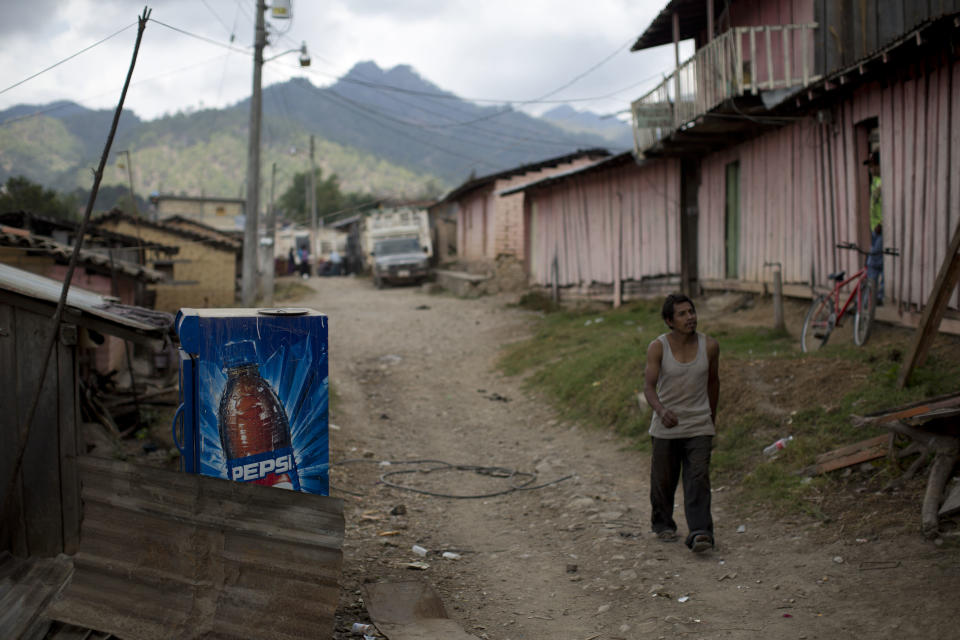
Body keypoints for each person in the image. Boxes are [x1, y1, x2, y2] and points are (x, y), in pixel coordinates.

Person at [643, 293, 720, 553]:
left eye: (692, 312)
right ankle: (663, 523)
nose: (690, 318)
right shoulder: (658, 347)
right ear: (669, 320)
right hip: (667, 425)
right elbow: (649, 387)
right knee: (663, 480)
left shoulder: (709, 346)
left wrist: (711, 417)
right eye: (682, 314)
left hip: (699, 424)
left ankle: (700, 532)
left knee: (698, 478)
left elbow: (713, 382)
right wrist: (661, 410)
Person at [865, 151, 884, 305]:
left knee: (873, 263)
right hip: (875, 229)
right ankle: (874, 296)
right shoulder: (875, 181)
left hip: (881, 229)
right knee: (878, 261)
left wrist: (882, 224)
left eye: (873, 165)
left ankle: (869, 300)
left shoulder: (883, 182)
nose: (871, 169)